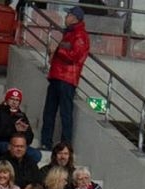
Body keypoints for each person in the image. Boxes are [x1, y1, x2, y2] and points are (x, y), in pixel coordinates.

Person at [41, 7, 88, 152]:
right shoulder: (70, 33)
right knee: (50, 112)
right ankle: (46, 142)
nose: (66, 16)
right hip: (58, 76)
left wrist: (57, 50)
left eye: (68, 14)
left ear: (74, 18)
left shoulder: (80, 35)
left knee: (64, 114)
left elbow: (74, 56)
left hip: (66, 79)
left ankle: (64, 145)